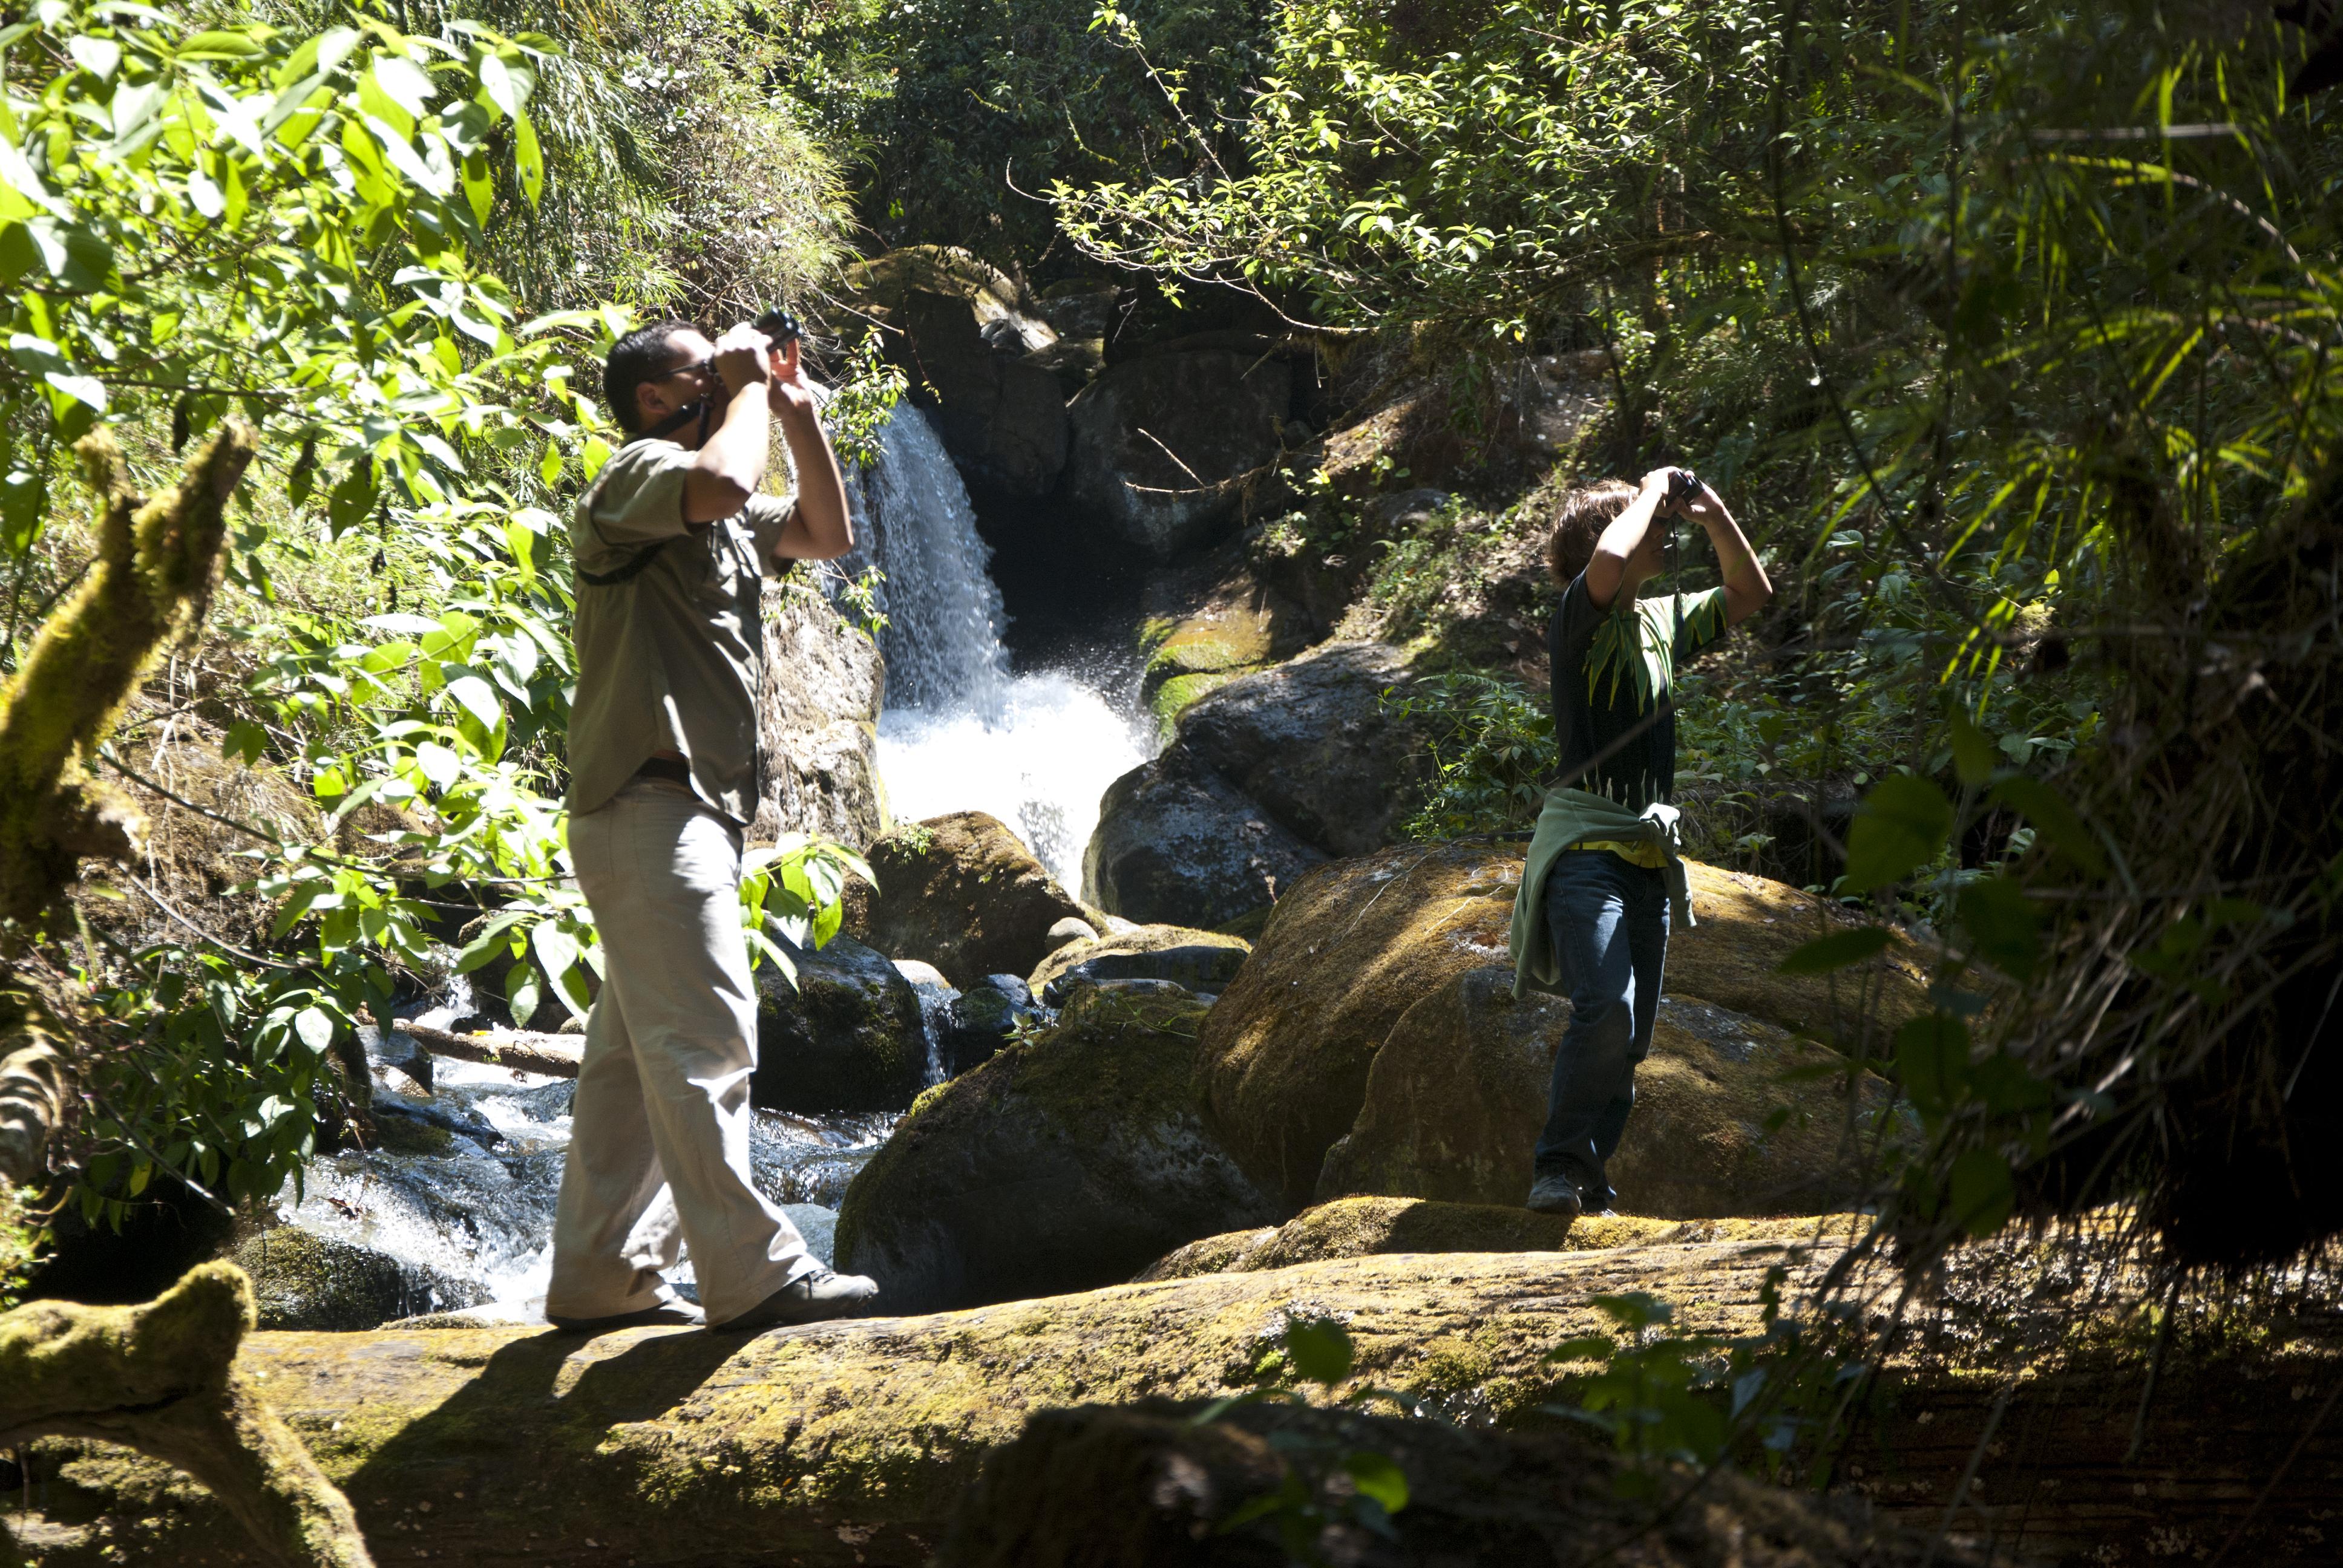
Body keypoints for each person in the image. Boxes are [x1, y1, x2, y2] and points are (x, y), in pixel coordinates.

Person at [545, 316, 880, 1332]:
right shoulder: (636, 479)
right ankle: (756, 1275)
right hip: (649, 807)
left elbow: (826, 533)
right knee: (705, 1040)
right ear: (658, 399)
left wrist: (798, 412)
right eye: (707, 372)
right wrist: (740, 396)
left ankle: (603, 1276)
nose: (730, 381)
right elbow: (724, 484)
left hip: (680, 814)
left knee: (630, 1067)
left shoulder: (715, 511)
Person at [1509, 468, 1773, 1221]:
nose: (1664, 530)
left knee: (1631, 1040)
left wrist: (1714, 511)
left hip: (1646, 861)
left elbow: (1750, 596)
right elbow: (1609, 567)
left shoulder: (1661, 622)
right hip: (1585, 852)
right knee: (1605, 1010)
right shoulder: (1577, 618)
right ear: (1611, 531)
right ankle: (1555, 1167)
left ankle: (1589, 1177)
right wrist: (1650, 489)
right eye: (1651, 521)